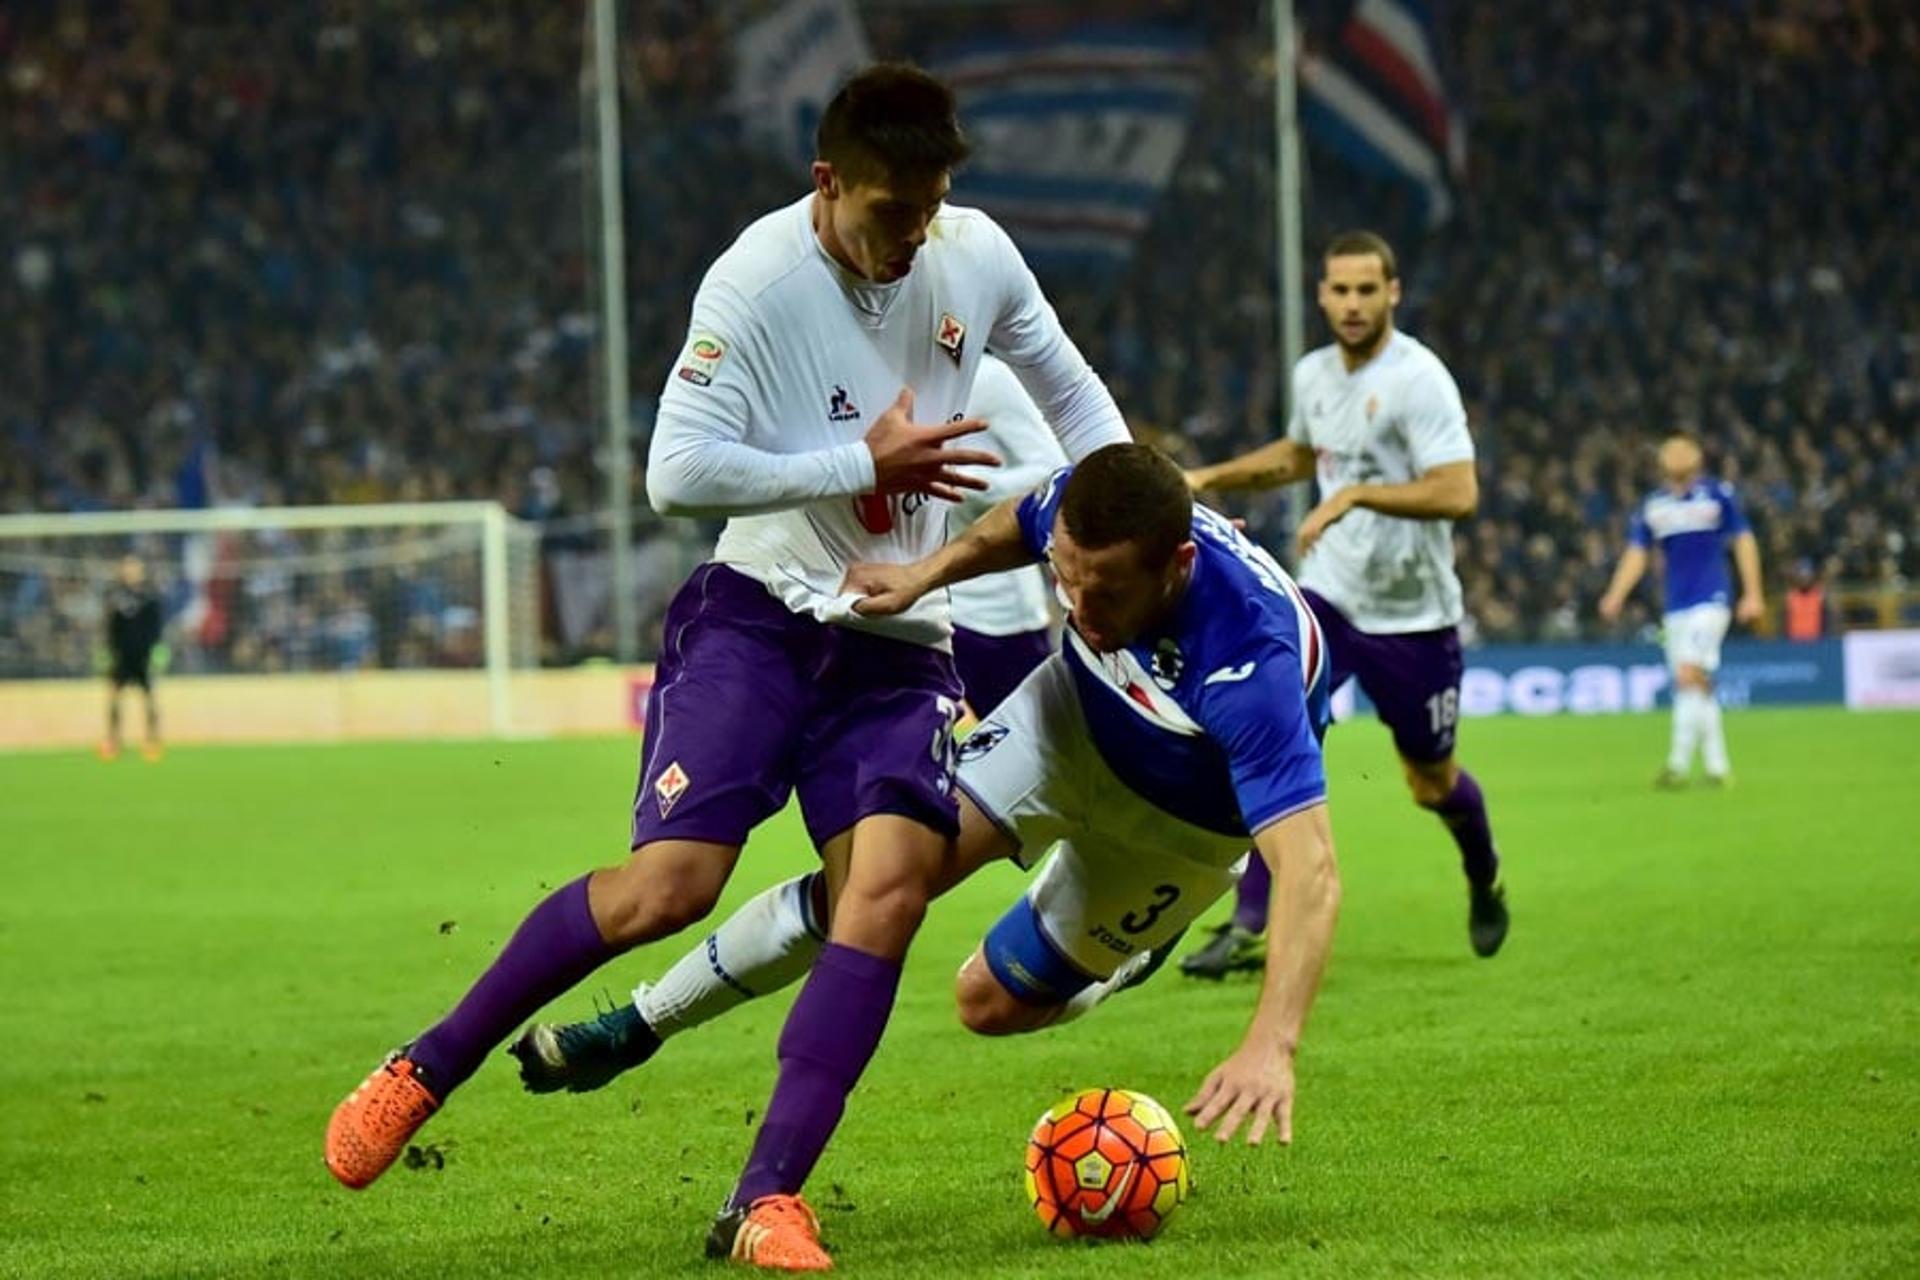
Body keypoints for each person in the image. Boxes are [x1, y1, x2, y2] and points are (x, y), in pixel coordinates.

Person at [322, 63, 1132, 1273]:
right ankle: (429, 1060)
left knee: (890, 889)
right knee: (673, 888)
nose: (912, 239)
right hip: (759, 612)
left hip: (901, 640)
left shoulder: (975, 254)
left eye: (929, 210)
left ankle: (767, 1200)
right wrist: (857, 464)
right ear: (827, 182)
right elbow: (676, 473)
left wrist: (1137, 523)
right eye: (887, 213)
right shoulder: (755, 279)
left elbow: (1074, 395)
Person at [516, 443, 1341, 1164]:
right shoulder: (1088, 515)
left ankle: (1127, 956)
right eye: (1067, 581)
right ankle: (640, 1022)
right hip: (1065, 724)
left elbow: (1310, 871)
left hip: (1178, 834)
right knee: (875, 885)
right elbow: (1016, 521)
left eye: (1109, 594)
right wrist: (923, 573)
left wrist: (1272, 1044)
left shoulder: (1252, 668)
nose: (1080, 612)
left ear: (1180, 565)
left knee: (986, 1004)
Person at [1182, 230, 1507, 974]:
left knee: (1432, 783)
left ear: (1393, 292)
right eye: (1341, 290)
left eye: (1368, 290)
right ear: (1322, 294)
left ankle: (1484, 873)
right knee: (1272, 731)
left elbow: (1459, 491)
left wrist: (1357, 494)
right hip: (1327, 597)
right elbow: (1302, 455)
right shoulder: (1315, 373)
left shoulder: (1420, 379)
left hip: (1412, 617)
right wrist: (1210, 478)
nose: (1353, 304)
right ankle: (1251, 924)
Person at [1598, 435, 1764, 787]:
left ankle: (1677, 764)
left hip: (1712, 599)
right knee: (1694, 683)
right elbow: (1637, 552)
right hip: (1675, 606)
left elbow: (1744, 540)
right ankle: (1718, 767)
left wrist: (1753, 592)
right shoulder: (1654, 505)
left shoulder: (1718, 495)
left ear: (1696, 457)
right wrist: (1616, 593)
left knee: (1689, 673)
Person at [946, 355, 1068, 716]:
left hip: (1001, 617)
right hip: (933, 607)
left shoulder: (987, 378)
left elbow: (1054, 471)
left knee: (1030, 754)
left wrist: (977, 490)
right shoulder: (889, 383)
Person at [100, 555, 164, 762]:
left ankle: (152, 741)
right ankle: (113, 741)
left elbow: (156, 628)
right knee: (115, 698)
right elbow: (110, 628)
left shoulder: (150, 597)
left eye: (134, 567)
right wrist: (108, 652)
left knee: (149, 699)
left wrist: (156, 652)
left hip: (143, 656)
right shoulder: (115, 597)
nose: (130, 571)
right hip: (122, 657)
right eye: (127, 567)